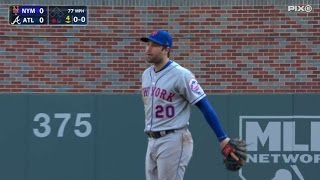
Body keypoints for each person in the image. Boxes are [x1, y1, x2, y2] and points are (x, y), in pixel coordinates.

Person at [140, 30, 240, 180]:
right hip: (152, 140)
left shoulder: (182, 75)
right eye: (148, 44)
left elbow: (204, 105)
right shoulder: (146, 75)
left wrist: (222, 138)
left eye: (154, 45)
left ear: (166, 49)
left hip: (173, 139)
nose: (148, 48)